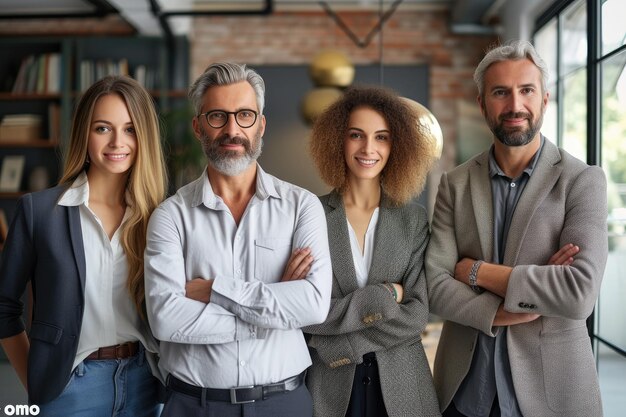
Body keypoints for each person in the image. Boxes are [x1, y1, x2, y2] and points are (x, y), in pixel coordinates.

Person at [425, 40, 608, 417]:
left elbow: (578, 294)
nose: (514, 105)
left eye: (526, 90)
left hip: (551, 395)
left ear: (545, 99)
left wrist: (476, 272)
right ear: (481, 104)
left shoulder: (583, 181)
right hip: (464, 391)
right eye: (500, 93)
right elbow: (433, 285)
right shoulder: (454, 183)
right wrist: (498, 311)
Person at [144, 62, 332, 417]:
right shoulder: (170, 216)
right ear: (198, 126)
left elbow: (312, 306)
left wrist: (214, 289)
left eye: (244, 115)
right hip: (193, 406)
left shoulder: (301, 206)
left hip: (283, 403)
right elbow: (166, 319)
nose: (232, 129)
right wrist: (271, 311)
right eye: (217, 116)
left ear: (261, 125)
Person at [0, 75, 168, 415]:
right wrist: (35, 381)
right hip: (69, 388)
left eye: (131, 129)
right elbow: (3, 307)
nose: (117, 142)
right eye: (103, 128)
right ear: (84, 134)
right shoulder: (40, 212)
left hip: (145, 384)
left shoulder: (160, 217)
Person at [304, 86, 441, 417]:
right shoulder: (309, 214)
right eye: (356, 135)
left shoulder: (413, 220)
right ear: (338, 139)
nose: (368, 148)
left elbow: (416, 315)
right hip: (329, 389)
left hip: (404, 387)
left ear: (398, 146)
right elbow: (306, 312)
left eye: (382, 137)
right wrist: (385, 296)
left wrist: (341, 344)